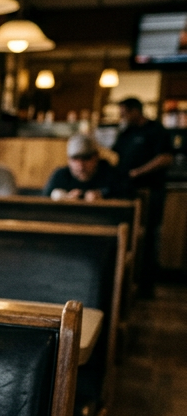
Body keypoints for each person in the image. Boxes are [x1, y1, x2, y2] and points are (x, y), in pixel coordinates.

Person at [113, 97, 173, 294]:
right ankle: (127, 285)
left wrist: (138, 172)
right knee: (127, 236)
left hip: (150, 190)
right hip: (125, 191)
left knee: (148, 236)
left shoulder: (156, 130)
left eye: (124, 113)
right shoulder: (126, 132)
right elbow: (115, 155)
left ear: (135, 111)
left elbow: (166, 158)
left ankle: (146, 286)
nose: (122, 117)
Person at [43, 134, 128, 201]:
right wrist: (63, 197)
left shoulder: (111, 174)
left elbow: (128, 198)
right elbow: (43, 203)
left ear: (96, 157)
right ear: (68, 160)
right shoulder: (60, 176)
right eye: (75, 159)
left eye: (86, 158)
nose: (81, 165)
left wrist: (103, 195)